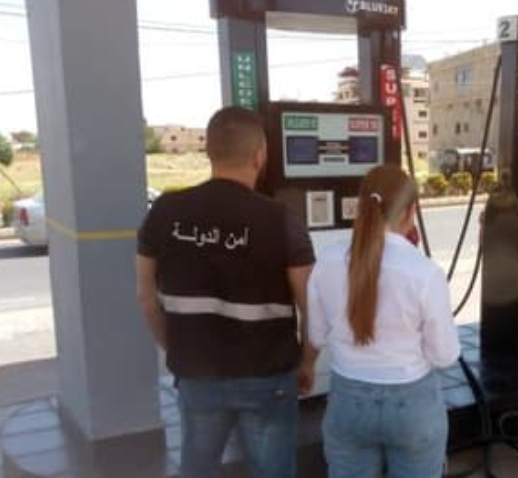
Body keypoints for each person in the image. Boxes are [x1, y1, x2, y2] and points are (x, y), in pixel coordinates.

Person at [135, 106, 316, 478]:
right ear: (260, 155)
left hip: (197, 374)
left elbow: (145, 297)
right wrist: (308, 361)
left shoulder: (164, 212)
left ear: (209, 152)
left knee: (197, 470)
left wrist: (176, 349)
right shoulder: (282, 220)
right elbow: (313, 306)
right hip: (269, 377)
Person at [303, 164, 460, 478]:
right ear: (411, 212)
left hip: (348, 402)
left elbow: (315, 336)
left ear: (361, 206)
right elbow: (444, 355)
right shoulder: (425, 272)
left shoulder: (329, 260)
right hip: (412, 405)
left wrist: (307, 365)